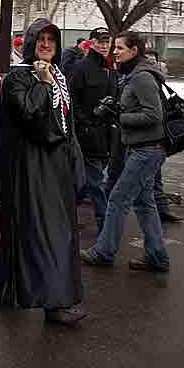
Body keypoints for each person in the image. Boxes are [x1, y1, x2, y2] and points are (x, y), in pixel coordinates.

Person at [0, 18, 86, 325]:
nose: (46, 45)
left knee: (39, 230)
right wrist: (43, 84)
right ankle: (54, 302)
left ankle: (4, 286)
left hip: (57, 164)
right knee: (48, 233)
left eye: (51, 40)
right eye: (40, 39)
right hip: (32, 167)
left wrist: (74, 156)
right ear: (31, 43)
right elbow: (31, 117)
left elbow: (67, 120)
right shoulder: (18, 78)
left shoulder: (59, 75)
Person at [80, 32, 170, 273]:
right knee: (144, 202)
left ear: (134, 51)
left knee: (118, 198)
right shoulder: (131, 75)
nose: (114, 52)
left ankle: (104, 252)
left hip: (147, 149)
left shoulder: (142, 78)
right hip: (141, 147)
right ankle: (157, 256)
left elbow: (154, 116)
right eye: (115, 48)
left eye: (119, 48)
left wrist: (120, 116)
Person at [68, 27, 115, 231]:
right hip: (87, 135)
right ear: (92, 43)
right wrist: (84, 123)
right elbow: (71, 100)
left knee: (85, 182)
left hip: (107, 135)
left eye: (107, 42)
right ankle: (104, 223)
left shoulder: (111, 68)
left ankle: (64, 213)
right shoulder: (81, 68)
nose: (104, 45)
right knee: (95, 181)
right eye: (100, 41)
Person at [144, 50, 184, 224]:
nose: (152, 64)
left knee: (154, 177)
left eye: (154, 61)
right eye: (148, 60)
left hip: (157, 139)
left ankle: (161, 210)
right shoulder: (140, 80)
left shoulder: (158, 81)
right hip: (142, 140)